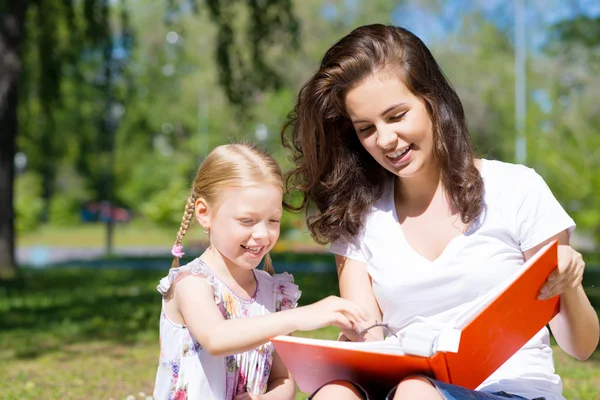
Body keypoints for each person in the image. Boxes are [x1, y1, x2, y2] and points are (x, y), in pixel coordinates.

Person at [280, 24, 599, 400]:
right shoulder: (359, 217)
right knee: (341, 394)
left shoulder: (517, 189)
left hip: (512, 393)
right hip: (405, 389)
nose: (384, 140)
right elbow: (368, 339)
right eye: (366, 128)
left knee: (416, 391)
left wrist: (570, 287)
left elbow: (581, 348)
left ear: (433, 101)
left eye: (396, 116)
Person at [152, 143, 371, 400]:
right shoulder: (191, 283)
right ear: (204, 213)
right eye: (247, 220)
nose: (263, 234)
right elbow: (216, 338)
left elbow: (284, 379)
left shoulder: (274, 293)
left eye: (273, 220)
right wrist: (302, 316)